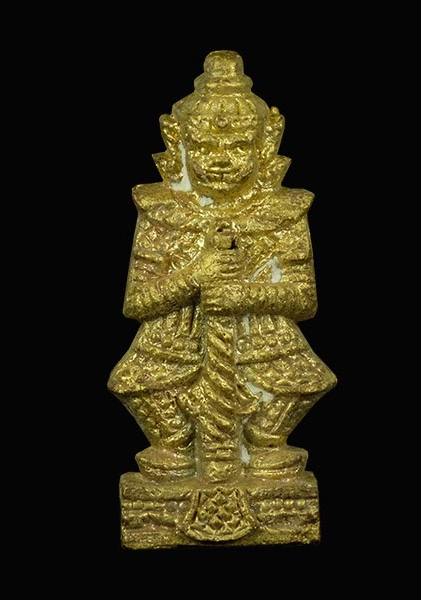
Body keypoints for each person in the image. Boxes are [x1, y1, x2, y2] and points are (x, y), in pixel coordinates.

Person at [109, 51, 335, 483]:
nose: (220, 160)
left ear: (264, 147)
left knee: (303, 382)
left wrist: (244, 294)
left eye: (237, 147)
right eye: (204, 147)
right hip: (177, 336)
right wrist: (194, 276)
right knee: (135, 383)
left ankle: (264, 443)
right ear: (178, 143)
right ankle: (175, 443)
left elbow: (303, 299)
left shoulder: (282, 212)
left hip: (260, 335)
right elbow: (137, 303)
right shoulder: (162, 211)